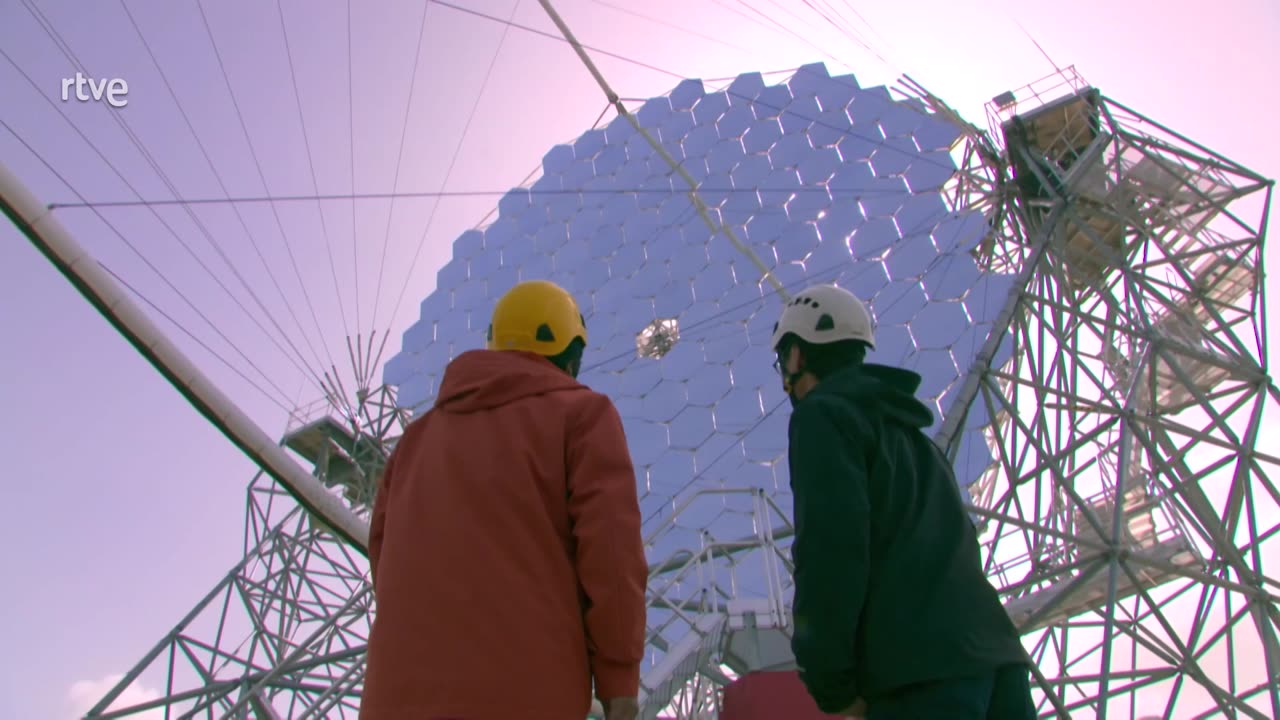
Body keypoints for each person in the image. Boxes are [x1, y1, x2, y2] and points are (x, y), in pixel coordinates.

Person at [360, 279, 649, 720]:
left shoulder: (412, 443)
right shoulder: (583, 415)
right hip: (524, 696)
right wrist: (619, 684)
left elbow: (384, 559)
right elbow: (611, 558)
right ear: (571, 355)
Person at [771, 284, 1036, 720]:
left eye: (785, 361)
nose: (785, 378)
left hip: (918, 677)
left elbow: (832, 551)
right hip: (999, 662)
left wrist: (831, 685)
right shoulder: (915, 439)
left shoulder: (821, 415)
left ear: (799, 355)